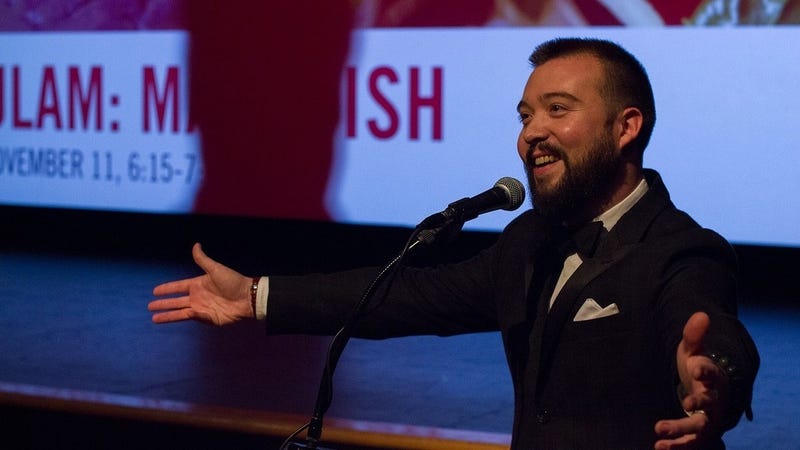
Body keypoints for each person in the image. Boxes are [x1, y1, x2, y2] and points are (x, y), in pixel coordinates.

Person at [149, 37, 759, 449]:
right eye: (525, 115)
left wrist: (715, 384)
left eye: (557, 109)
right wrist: (256, 295)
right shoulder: (529, 241)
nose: (532, 134)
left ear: (627, 126)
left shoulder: (682, 250)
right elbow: (404, 296)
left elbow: (712, 335)